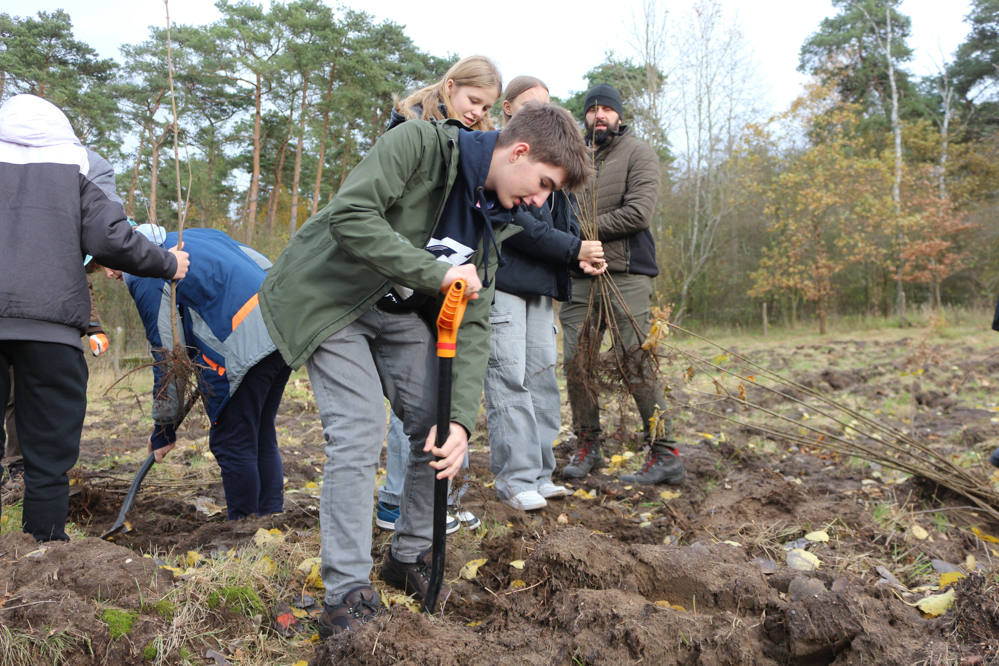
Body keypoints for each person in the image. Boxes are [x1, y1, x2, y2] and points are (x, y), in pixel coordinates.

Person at [258, 102, 591, 636]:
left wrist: (460, 422)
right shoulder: (419, 145)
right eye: (545, 184)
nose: (540, 201)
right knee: (360, 430)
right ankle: (347, 590)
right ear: (520, 151)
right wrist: (435, 271)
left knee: (435, 427)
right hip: (330, 300)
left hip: (399, 312)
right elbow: (351, 216)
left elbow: (475, 322)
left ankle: (408, 555)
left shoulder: (499, 217)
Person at [0, 94, 189, 542]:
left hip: (45, 324)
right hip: (50, 329)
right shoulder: (80, 162)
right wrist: (167, 263)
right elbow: (109, 239)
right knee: (48, 453)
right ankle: (43, 553)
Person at [376, 55, 503, 534]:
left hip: (439, 293)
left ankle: (432, 508)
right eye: (472, 100)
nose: (476, 112)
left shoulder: (480, 150)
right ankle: (394, 501)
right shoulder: (408, 132)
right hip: (391, 291)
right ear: (449, 86)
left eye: (486, 106)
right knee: (405, 409)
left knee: (436, 403)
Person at [102, 225, 290, 521]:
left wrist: (164, 429)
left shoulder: (147, 270)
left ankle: (243, 532)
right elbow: (263, 264)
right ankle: (271, 522)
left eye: (103, 263)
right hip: (282, 330)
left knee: (232, 440)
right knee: (259, 432)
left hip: (243, 344)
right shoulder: (197, 236)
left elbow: (168, 355)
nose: (108, 274)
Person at [484, 76, 605, 511]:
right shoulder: (503, 164)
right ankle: (515, 480)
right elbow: (519, 226)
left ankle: (539, 472)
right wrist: (572, 248)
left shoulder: (552, 170)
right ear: (508, 108)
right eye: (530, 105)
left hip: (543, 288)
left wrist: (579, 256)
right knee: (509, 379)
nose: (539, 112)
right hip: (506, 285)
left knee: (541, 379)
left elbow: (566, 224)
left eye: (547, 106)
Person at [558, 83, 686, 486]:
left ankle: (665, 452)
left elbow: (638, 213)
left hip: (625, 272)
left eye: (606, 110)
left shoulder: (640, 153)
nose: (599, 116)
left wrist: (581, 233)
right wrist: (573, 245)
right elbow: (557, 211)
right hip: (579, 275)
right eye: (592, 110)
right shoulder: (572, 158)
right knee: (577, 362)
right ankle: (588, 444)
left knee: (636, 361)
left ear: (618, 115)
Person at [2, 271, 109, 488]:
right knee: (14, 398)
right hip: (7, 325)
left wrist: (94, 327)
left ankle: (44, 467)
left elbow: (78, 277)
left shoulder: (59, 242)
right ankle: (18, 465)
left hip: (47, 331)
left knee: (46, 399)